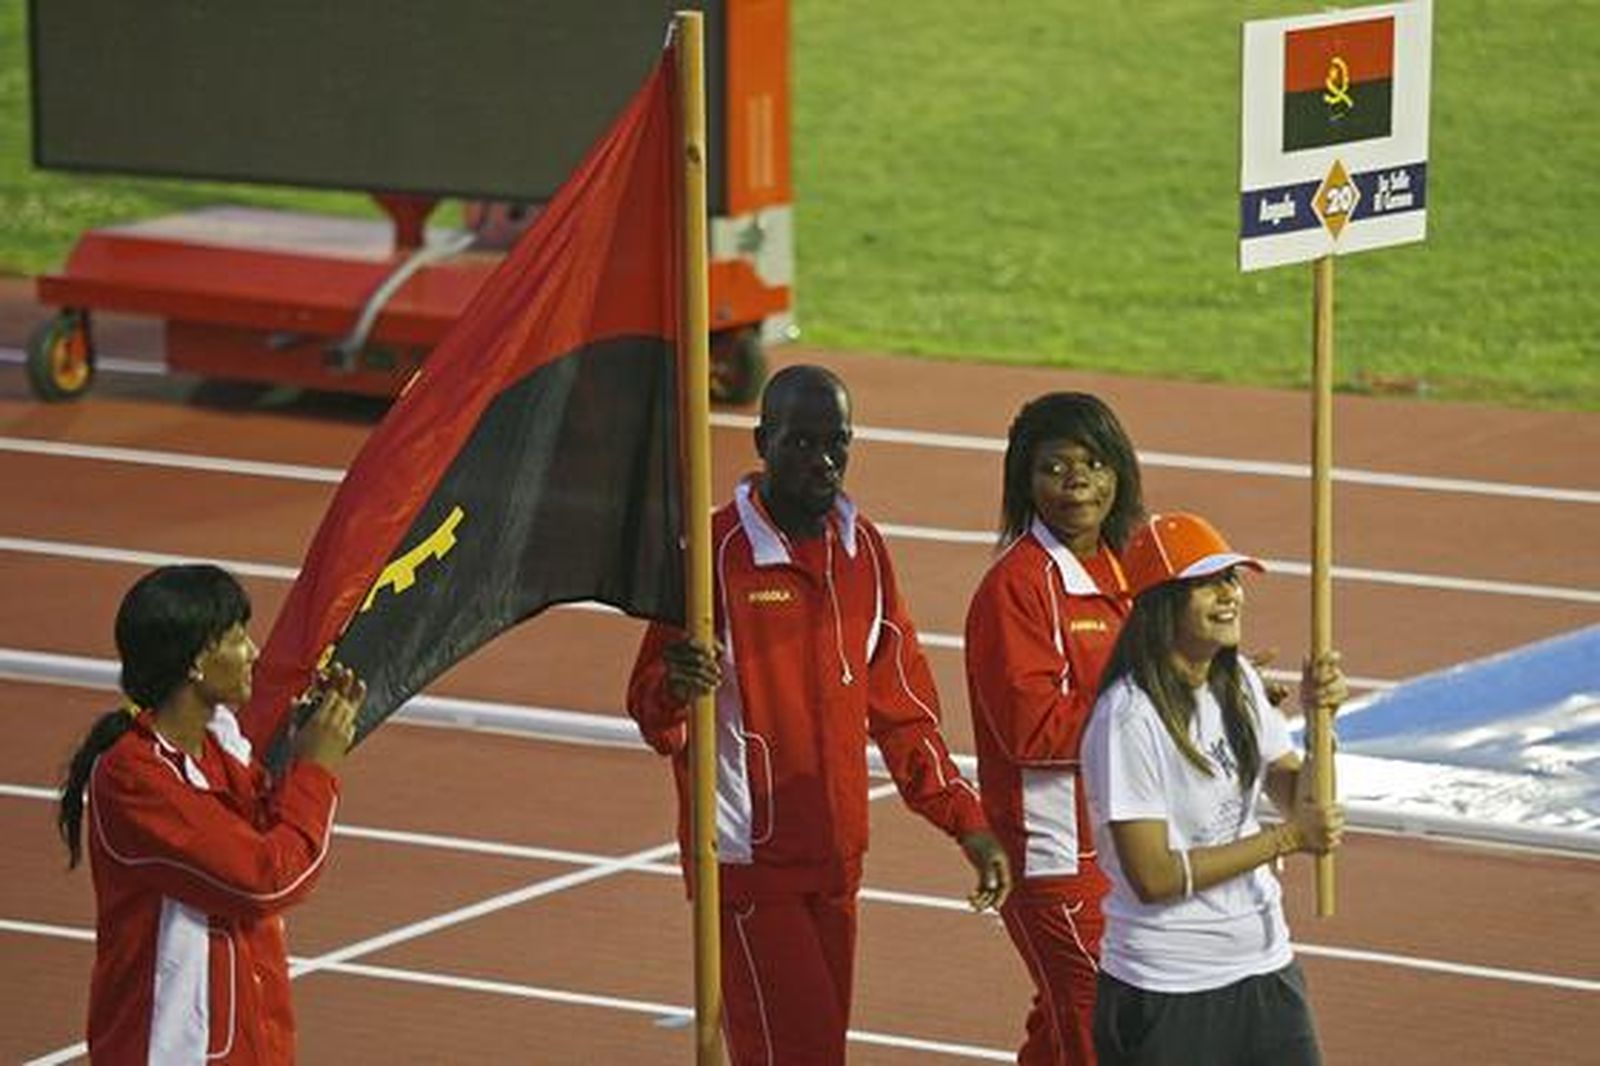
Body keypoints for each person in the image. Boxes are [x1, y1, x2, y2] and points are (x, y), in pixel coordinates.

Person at [627, 364, 1011, 1065]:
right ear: (762, 443)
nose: (823, 460)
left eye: (837, 442)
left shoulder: (865, 552)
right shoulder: (712, 555)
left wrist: (969, 823)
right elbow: (652, 709)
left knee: (816, 1049)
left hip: (837, 858)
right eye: (801, 442)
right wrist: (676, 686)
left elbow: (904, 713)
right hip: (749, 862)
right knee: (797, 1054)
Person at [56, 564, 366, 1065]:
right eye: (238, 637)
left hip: (247, 1045)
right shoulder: (134, 778)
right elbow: (266, 880)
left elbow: (267, 829)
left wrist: (304, 743)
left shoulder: (219, 752)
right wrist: (315, 770)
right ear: (197, 659)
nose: (253, 652)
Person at [1081, 513, 1347, 1066]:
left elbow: (1299, 799)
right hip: (1167, 989)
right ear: (1160, 603)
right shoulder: (1129, 719)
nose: (1230, 595)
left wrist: (1322, 723)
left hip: (1264, 969)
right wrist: (1288, 839)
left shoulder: (1239, 682)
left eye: (1232, 579)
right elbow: (1153, 876)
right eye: (1207, 583)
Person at [965, 392, 1144, 1065]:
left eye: (1093, 464)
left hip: (1130, 844)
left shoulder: (1130, 570)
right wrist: (1157, 709)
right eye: (1055, 467)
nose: (1077, 483)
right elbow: (1034, 731)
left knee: (1063, 1033)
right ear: (1024, 481)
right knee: (1105, 1030)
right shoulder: (1015, 588)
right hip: (1057, 857)